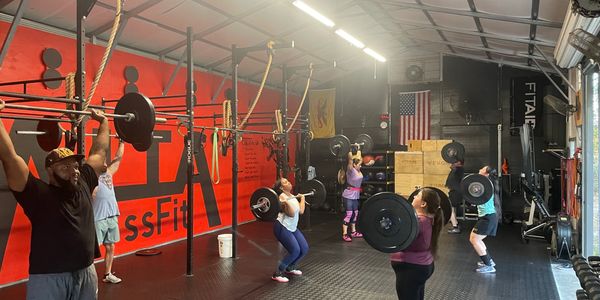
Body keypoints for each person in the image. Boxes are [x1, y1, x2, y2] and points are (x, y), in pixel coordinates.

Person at [0, 100, 109, 300]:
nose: (74, 171)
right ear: (50, 171)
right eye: (65, 167)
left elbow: (99, 152)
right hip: (49, 277)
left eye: (75, 165)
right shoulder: (38, 194)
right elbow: (9, 157)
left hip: (86, 271)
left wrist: (104, 122)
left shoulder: (84, 183)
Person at [390, 188, 444, 300]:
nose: (414, 197)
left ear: (423, 203)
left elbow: (394, 239)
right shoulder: (429, 219)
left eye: (417, 196)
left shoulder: (418, 222)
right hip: (422, 266)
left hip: (411, 269)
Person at [93, 138, 125, 284]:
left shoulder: (108, 174)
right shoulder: (91, 177)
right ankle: (87, 278)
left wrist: (122, 142)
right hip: (98, 217)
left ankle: (107, 274)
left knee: (111, 246)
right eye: (102, 162)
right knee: (92, 250)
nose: (106, 164)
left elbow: (118, 159)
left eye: (106, 161)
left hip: (111, 215)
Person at [271, 177, 309, 283]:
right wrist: (286, 203)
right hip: (282, 227)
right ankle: (277, 273)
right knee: (295, 250)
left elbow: (301, 211)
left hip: (292, 227)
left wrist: (302, 198)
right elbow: (291, 214)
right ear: (282, 188)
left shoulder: (292, 196)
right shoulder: (281, 199)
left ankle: (290, 267)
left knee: (304, 249)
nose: (289, 183)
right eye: (286, 182)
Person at [470, 165, 498, 274]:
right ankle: (488, 261)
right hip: (487, 216)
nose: (480, 169)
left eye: (482, 168)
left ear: (486, 173)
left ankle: (489, 266)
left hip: (488, 217)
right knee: (477, 239)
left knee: (474, 239)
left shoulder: (486, 184)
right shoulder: (485, 183)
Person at [341, 144, 364, 242]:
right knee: (349, 214)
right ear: (354, 165)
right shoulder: (351, 170)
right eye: (359, 164)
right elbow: (350, 159)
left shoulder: (358, 170)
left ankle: (353, 232)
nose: (360, 165)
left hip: (355, 195)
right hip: (348, 195)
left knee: (356, 213)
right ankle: (345, 234)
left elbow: (360, 159)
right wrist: (350, 150)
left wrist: (358, 149)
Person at [445, 158, 464, 234]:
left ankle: (455, 227)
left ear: (459, 163)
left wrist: (454, 166)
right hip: (455, 192)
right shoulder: (457, 170)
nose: (451, 164)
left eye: (454, 163)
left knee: (450, 208)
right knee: (451, 208)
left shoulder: (458, 170)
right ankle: (456, 223)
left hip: (456, 192)